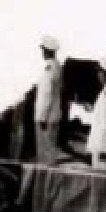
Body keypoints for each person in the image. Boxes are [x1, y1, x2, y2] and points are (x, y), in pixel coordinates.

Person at [34, 34, 64, 165]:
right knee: (51, 150)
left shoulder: (48, 68)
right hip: (54, 114)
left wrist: (41, 117)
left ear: (47, 51)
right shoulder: (57, 66)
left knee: (44, 153)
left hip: (46, 117)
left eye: (43, 50)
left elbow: (46, 95)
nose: (42, 53)